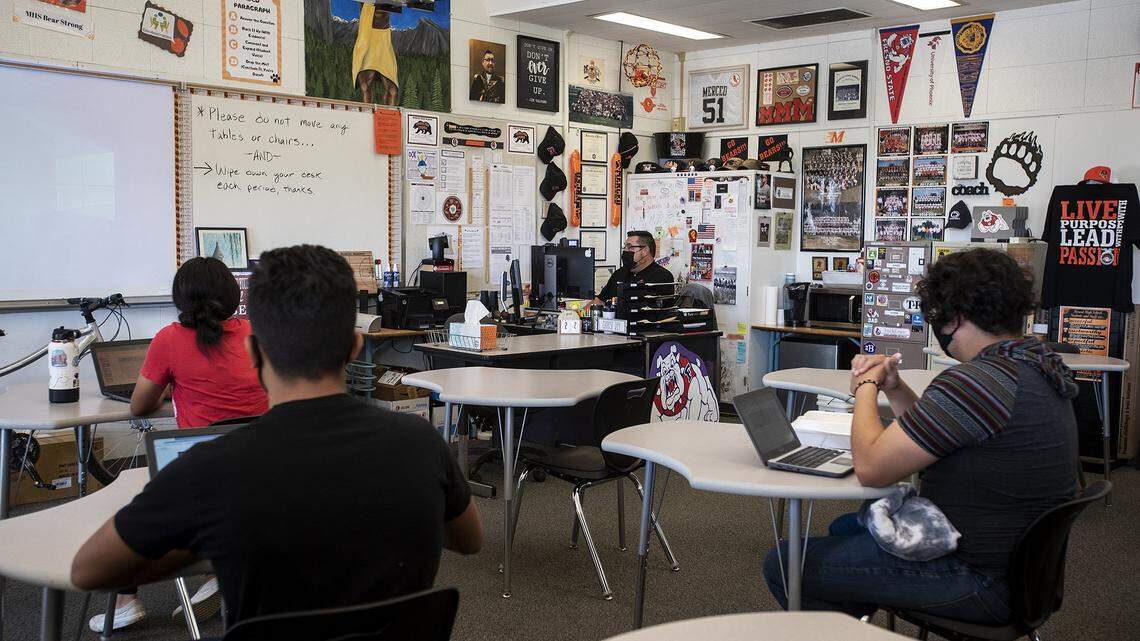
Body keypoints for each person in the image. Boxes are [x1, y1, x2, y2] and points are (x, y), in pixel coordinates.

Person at [72, 245, 482, 631]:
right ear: (356, 347)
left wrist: (207, 538)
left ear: (253, 352)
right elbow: (469, 541)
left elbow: (87, 570)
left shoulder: (208, 470)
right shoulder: (421, 442)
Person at [763, 248, 1079, 624]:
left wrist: (865, 385)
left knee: (785, 562)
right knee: (845, 527)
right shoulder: (1032, 367)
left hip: (978, 579)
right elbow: (936, 434)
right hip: (1020, 572)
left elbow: (872, 468)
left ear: (955, 317)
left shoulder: (978, 382)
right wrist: (895, 389)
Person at [92, 257, 269, 632]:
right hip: (260, 468)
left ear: (180, 297)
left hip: (198, 472)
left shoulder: (169, 339)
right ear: (233, 294)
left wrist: (173, 394)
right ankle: (218, 572)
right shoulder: (257, 333)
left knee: (124, 501)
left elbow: (140, 405)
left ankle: (126, 602)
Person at [589, 231, 674, 309]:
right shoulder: (620, 273)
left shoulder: (662, 277)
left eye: (630, 247)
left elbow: (646, 311)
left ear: (645, 251)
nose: (625, 251)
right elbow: (600, 300)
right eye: (625, 247)